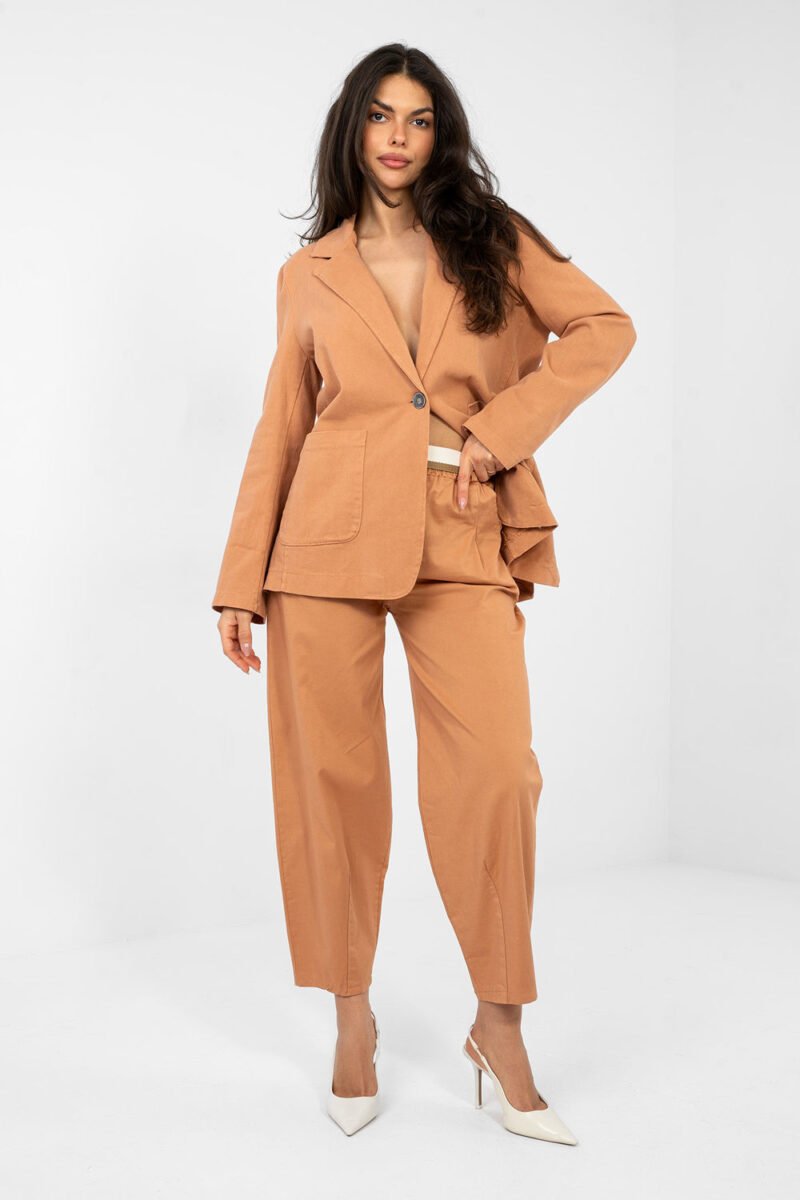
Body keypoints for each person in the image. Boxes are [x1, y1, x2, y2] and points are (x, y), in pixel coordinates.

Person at [211, 43, 636, 1140]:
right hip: (321, 545)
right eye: (379, 116)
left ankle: (499, 1024)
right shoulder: (308, 273)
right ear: (352, 130)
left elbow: (603, 328)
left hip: (460, 526)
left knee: (496, 773)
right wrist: (239, 581)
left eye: (419, 119)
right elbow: (283, 425)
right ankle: (351, 1018)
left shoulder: (491, 236)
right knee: (332, 784)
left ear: (440, 135)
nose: (397, 137)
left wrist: (500, 432)